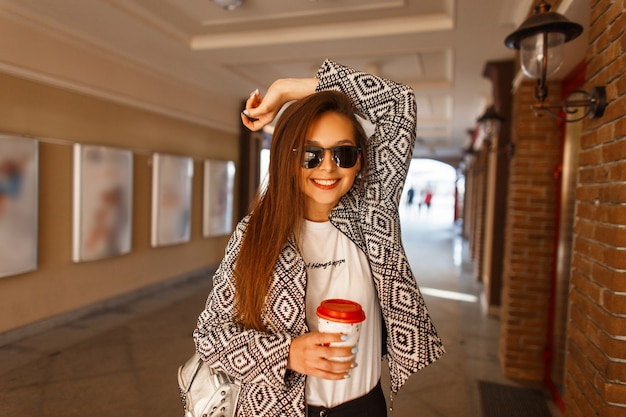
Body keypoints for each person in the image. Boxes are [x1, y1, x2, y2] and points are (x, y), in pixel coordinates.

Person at [193, 60, 444, 417]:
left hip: (364, 408)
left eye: (343, 153)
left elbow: (399, 102)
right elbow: (209, 336)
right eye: (310, 154)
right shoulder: (255, 234)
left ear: (359, 162)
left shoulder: (372, 215)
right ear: (287, 159)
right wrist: (288, 353)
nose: (327, 167)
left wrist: (286, 89)